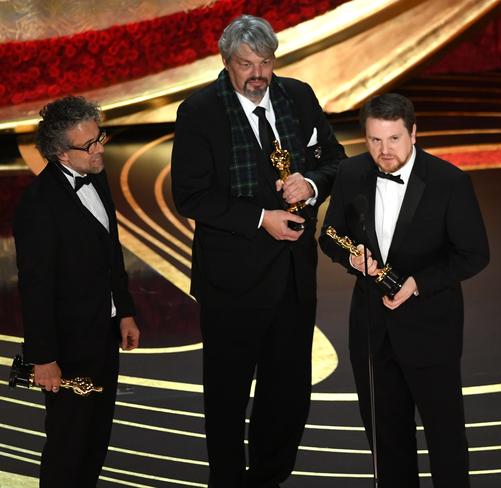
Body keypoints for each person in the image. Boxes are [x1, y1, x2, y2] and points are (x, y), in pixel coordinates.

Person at [170, 14, 345, 488]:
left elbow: (334, 160)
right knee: (227, 396)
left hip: (292, 278)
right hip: (232, 283)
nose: (257, 73)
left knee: (287, 393)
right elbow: (189, 196)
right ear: (226, 63)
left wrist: (309, 184)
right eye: (246, 63)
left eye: (265, 61)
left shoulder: (300, 96)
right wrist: (259, 219)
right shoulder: (199, 112)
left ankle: (270, 477)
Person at [319, 93, 489, 487]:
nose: (384, 151)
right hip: (371, 333)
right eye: (375, 140)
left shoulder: (450, 181)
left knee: (445, 440)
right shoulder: (351, 173)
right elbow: (330, 236)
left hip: (431, 330)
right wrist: (351, 259)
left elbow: (474, 254)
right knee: (386, 441)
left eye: (394, 139)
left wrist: (418, 283)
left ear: (414, 132)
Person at [13, 96, 140, 486]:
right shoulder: (37, 204)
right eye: (89, 145)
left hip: (103, 334)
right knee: (68, 445)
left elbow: (110, 252)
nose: (99, 147)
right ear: (60, 154)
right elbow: (35, 288)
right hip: (66, 349)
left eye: (99, 137)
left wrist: (125, 311)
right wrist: (43, 358)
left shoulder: (97, 173)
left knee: (97, 437)